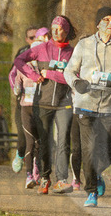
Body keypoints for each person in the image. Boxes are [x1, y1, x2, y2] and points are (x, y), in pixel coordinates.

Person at [64, 6, 111, 207]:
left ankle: (96, 173)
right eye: (106, 19)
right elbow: (69, 71)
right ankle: (91, 191)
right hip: (85, 104)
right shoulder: (84, 45)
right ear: (98, 24)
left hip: (110, 106)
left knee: (109, 154)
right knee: (89, 148)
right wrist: (76, 83)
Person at [14, 15, 77, 195]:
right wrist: (33, 75)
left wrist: (50, 74)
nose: (56, 32)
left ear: (67, 31)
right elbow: (19, 61)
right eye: (53, 28)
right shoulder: (42, 48)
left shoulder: (73, 53)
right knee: (44, 142)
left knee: (63, 140)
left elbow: (74, 77)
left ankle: (62, 180)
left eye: (60, 29)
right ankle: (44, 177)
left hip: (64, 103)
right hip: (43, 103)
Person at [11, 27, 38, 174]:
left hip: (41, 103)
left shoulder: (47, 52)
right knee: (23, 136)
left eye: (37, 37)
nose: (35, 40)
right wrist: (17, 90)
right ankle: (20, 154)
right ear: (27, 40)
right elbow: (12, 74)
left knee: (38, 138)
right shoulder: (23, 53)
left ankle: (35, 168)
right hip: (24, 101)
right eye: (31, 38)